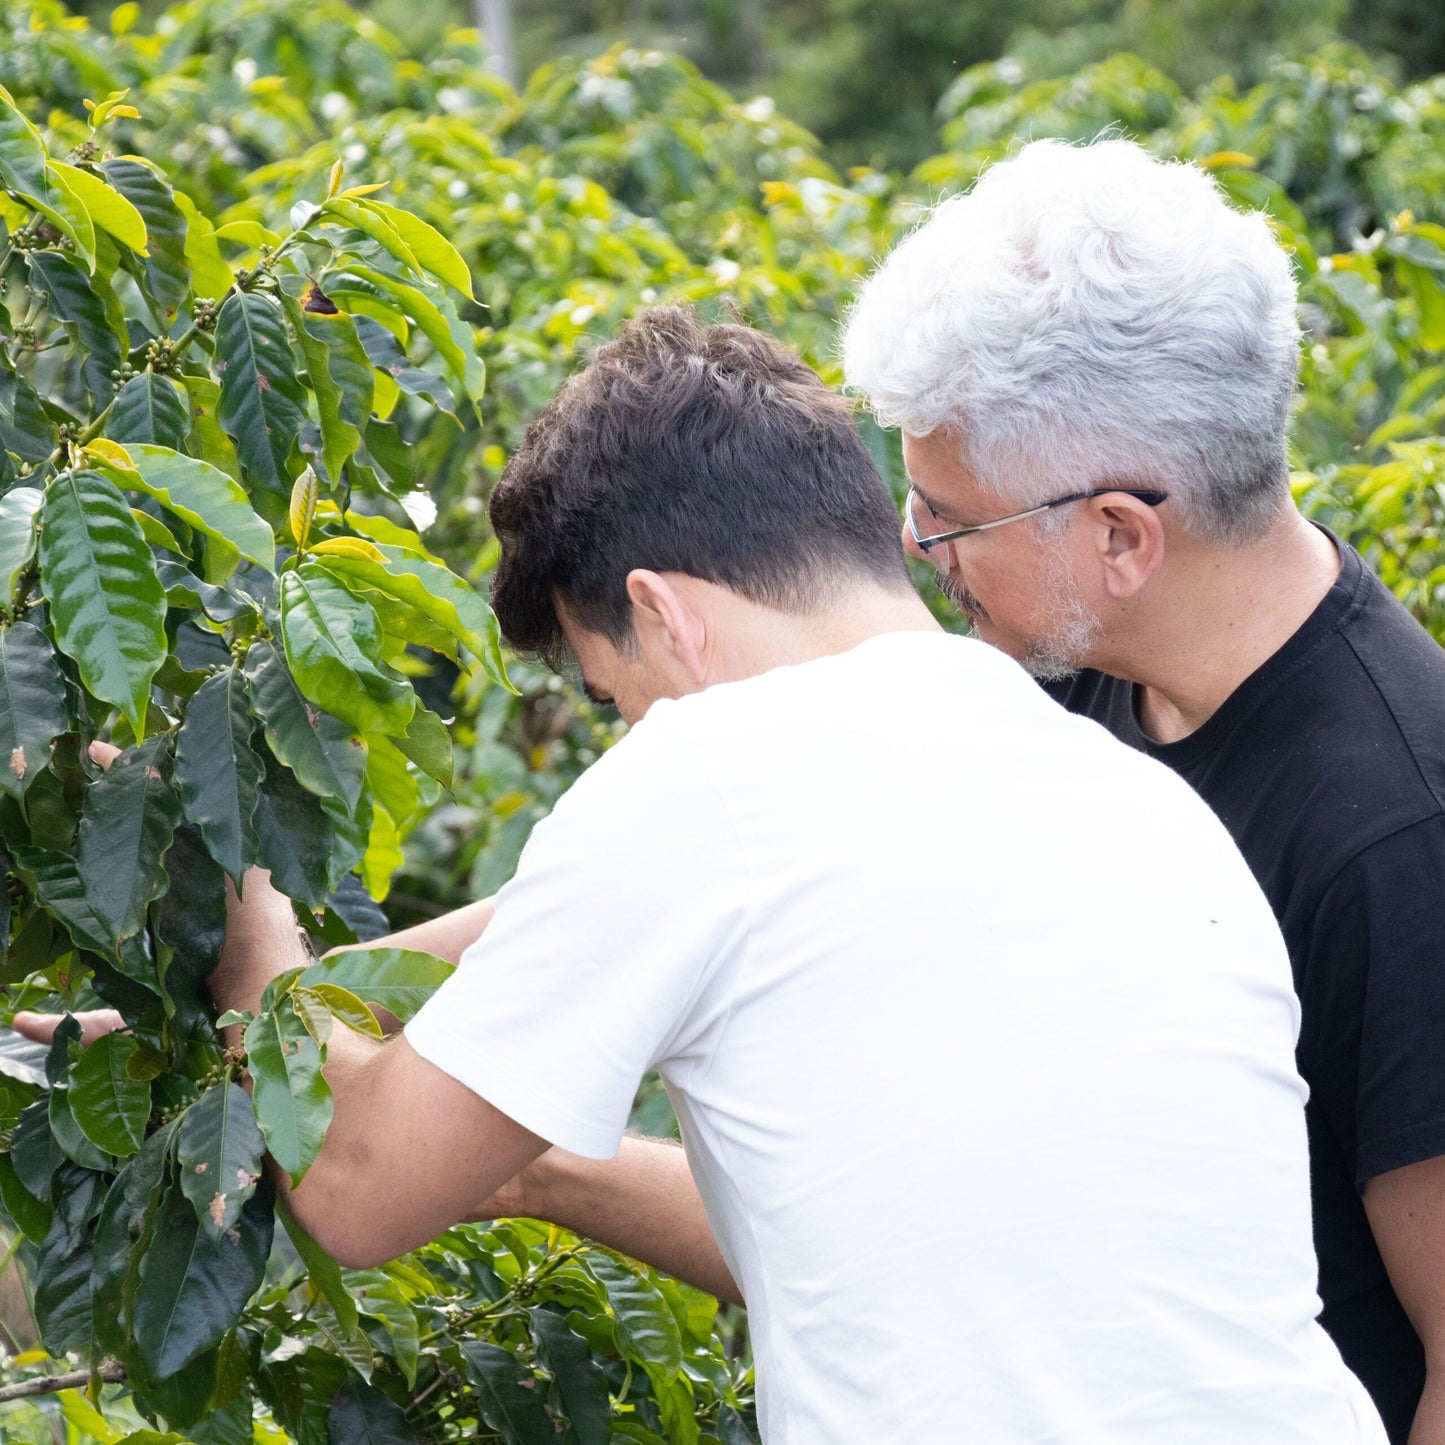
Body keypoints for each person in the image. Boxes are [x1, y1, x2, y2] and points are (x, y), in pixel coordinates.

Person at [21, 309, 1385, 1442]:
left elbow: (359, 1188)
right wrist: (336, 1002)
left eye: (618, 697)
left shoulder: (709, 775)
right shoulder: (1121, 796)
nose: (631, 738)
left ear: (662, 611)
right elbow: (874, 1232)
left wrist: (252, 950)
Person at [841, 136, 1445, 1444]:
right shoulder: (1063, 675)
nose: (915, 549)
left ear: (1118, 536)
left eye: (945, 519)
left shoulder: (1393, 839)